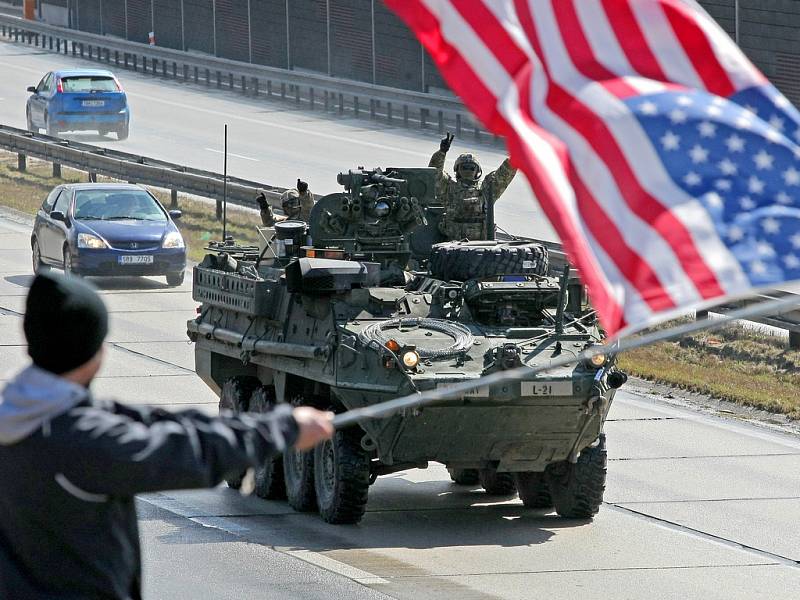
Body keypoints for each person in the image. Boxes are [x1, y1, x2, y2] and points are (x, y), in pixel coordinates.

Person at [0, 272, 334, 599]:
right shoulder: (80, 442)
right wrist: (283, 430)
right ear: (93, 352)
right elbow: (189, 454)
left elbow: (140, 420)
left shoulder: (23, 414)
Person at [429, 132, 517, 240]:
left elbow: (504, 174)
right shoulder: (448, 188)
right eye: (464, 167)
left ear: (477, 171)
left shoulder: (486, 190)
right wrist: (441, 152)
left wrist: (517, 155)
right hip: (452, 249)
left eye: (471, 168)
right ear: (457, 170)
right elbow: (434, 173)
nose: (468, 170)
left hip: (481, 247)